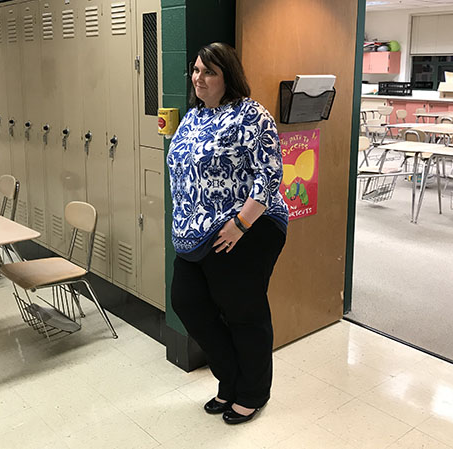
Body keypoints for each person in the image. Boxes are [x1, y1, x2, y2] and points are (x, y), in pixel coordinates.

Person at [167, 42, 288, 425]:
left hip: (246, 229)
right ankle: (230, 378)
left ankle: (252, 392)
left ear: (228, 77)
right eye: (197, 70)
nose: (199, 79)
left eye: (209, 73)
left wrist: (240, 224)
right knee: (187, 302)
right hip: (196, 231)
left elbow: (269, 176)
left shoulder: (251, 116)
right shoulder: (193, 117)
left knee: (243, 313)